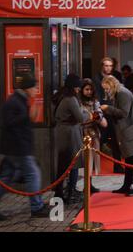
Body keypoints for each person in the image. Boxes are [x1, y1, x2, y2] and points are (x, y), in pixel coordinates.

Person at [0, 73, 49, 221]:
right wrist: (28, 115)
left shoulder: (21, 100)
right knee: (33, 174)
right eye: (34, 87)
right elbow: (9, 123)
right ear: (27, 88)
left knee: (5, 178)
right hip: (17, 148)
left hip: (15, 147)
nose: (35, 90)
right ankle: (36, 207)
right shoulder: (14, 102)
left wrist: (28, 116)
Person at [100, 75, 133, 197]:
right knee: (129, 158)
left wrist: (108, 108)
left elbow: (123, 113)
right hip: (130, 129)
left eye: (107, 88)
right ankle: (127, 185)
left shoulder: (122, 93)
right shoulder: (119, 92)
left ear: (112, 85)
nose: (106, 91)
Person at [52, 74, 91, 204]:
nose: (79, 89)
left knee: (63, 164)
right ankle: (70, 192)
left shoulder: (61, 96)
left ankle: (60, 192)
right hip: (69, 133)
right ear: (74, 87)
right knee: (74, 161)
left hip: (63, 131)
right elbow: (80, 117)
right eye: (78, 87)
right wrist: (88, 114)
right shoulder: (71, 99)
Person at [93, 57, 123, 173]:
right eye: (106, 65)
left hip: (112, 112)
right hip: (101, 112)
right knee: (99, 139)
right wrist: (99, 115)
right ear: (102, 66)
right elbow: (96, 98)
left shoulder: (114, 77)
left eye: (110, 66)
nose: (108, 68)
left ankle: (118, 166)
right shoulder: (96, 79)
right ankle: (93, 165)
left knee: (115, 140)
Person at [80, 78, 108, 184]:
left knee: (93, 159)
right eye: (87, 89)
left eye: (91, 89)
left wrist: (97, 117)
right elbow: (79, 118)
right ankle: (86, 185)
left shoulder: (95, 101)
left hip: (93, 132)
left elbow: (99, 115)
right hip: (82, 132)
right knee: (83, 161)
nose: (89, 92)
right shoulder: (78, 102)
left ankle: (90, 184)